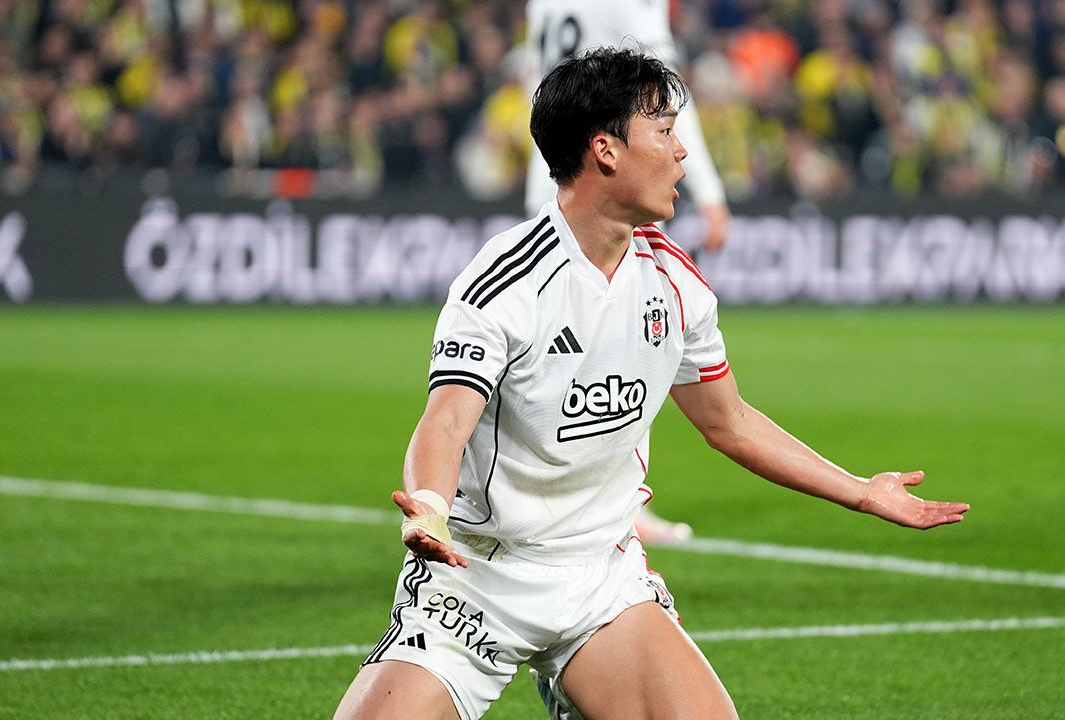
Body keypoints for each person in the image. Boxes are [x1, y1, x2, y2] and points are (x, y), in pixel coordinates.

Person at [334, 48, 968, 720]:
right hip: (477, 579)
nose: (682, 154)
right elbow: (446, 420)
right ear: (605, 150)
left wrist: (863, 492)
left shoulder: (674, 283)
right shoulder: (507, 281)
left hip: (600, 579)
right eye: (664, 132)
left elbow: (730, 422)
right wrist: (428, 507)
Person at [525, 0, 731, 544]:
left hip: (554, 182)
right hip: (612, 181)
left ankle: (558, 499)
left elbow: (539, 88)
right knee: (624, 351)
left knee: (561, 359)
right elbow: (664, 107)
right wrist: (709, 192)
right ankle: (616, 505)